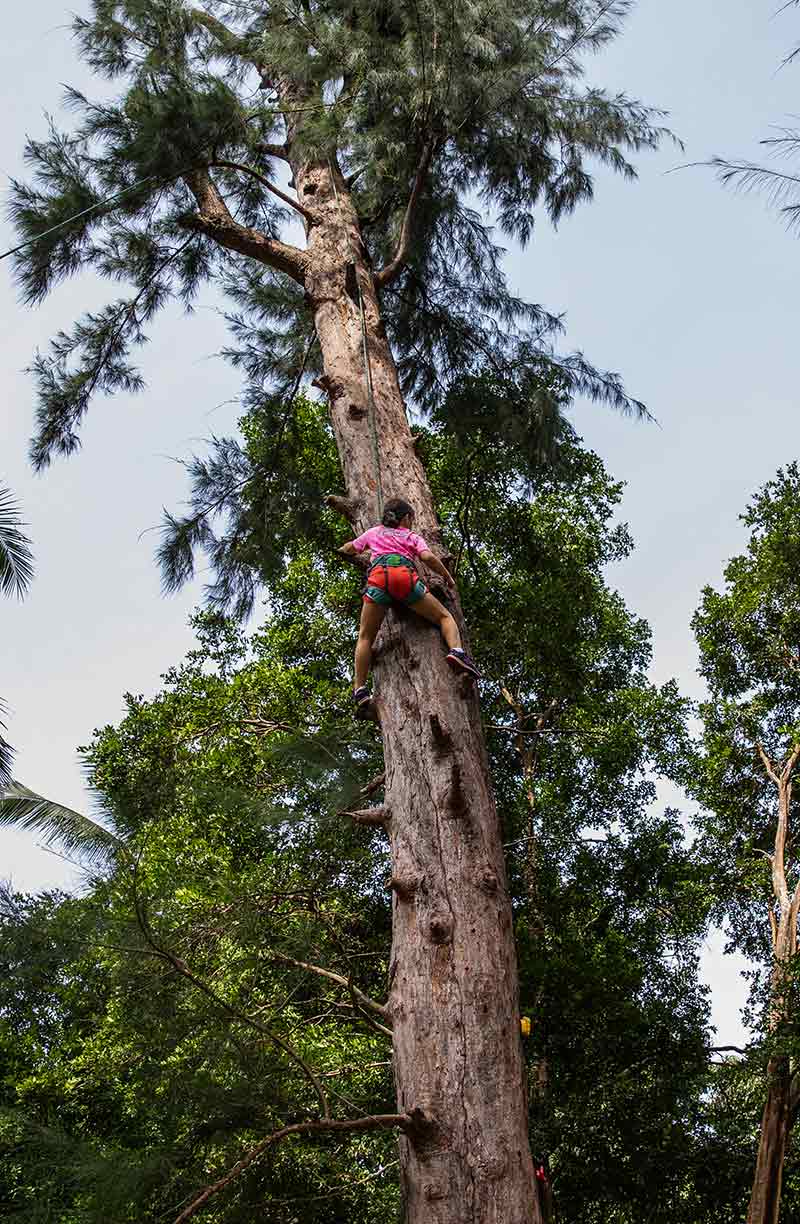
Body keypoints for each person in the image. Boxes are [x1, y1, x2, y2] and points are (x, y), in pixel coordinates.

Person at [337, 497, 481, 714]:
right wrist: (446, 575)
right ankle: (457, 652)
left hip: (378, 580)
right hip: (404, 579)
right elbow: (427, 557)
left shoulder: (374, 532)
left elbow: (351, 548)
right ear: (406, 518)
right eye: (411, 518)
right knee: (444, 617)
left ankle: (360, 689)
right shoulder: (411, 536)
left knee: (365, 637)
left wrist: (343, 549)